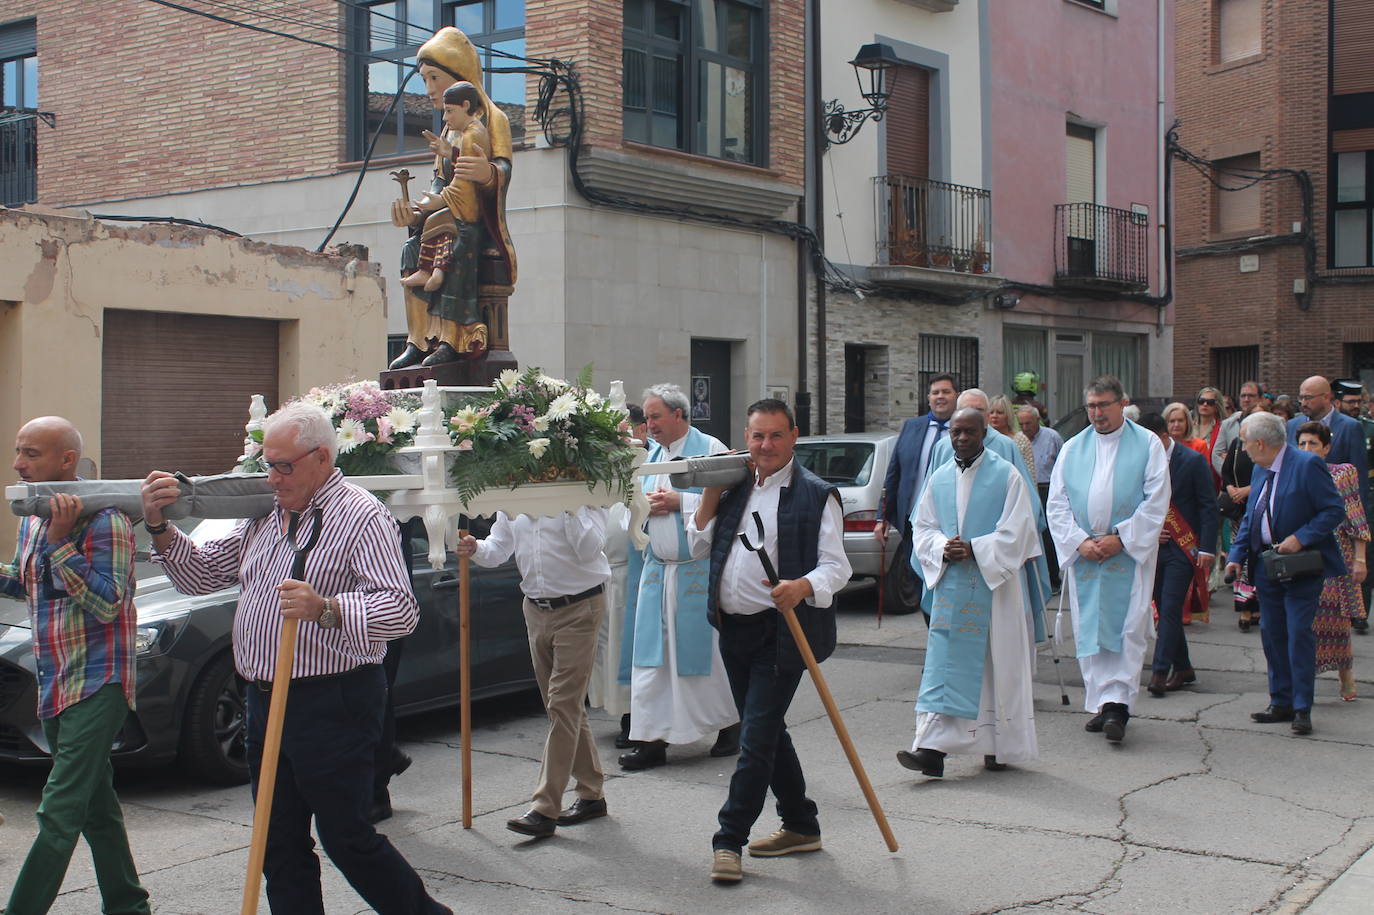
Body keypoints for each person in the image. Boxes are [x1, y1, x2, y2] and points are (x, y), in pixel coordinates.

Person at [142, 403, 449, 914]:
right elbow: (201, 575)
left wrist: (325, 608)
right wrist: (160, 529)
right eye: (267, 463)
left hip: (333, 700)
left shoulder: (360, 515)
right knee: (277, 839)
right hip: (263, 700)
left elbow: (400, 610)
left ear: (322, 457)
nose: (272, 476)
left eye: (283, 465)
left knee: (346, 837)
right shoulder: (269, 511)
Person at [687, 399, 850, 884]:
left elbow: (836, 566)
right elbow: (698, 544)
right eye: (757, 436)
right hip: (731, 629)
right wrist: (712, 494)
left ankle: (728, 840)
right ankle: (800, 823)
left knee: (754, 741)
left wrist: (802, 586)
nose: (765, 446)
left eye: (775, 436)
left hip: (781, 635)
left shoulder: (818, 495)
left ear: (794, 436)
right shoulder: (734, 486)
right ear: (746, 434)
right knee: (769, 733)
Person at [3, 417, 151, 915]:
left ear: (67, 460)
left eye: (31, 454)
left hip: (97, 680)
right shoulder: (33, 514)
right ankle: (129, 905)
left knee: (60, 809)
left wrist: (62, 541)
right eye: (19, 453)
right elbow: (30, 584)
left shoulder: (105, 518)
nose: (19, 464)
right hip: (53, 677)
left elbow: (110, 604)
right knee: (95, 807)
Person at [899, 408, 1042, 778]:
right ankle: (932, 749)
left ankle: (997, 744)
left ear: (984, 433)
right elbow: (923, 527)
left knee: (994, 664)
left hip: (995, 591)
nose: (961, 438)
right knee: (945, 666)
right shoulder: (941, 476)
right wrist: (943, 547)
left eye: (969, 432)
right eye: (956, 432)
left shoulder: (1006, 475)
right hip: (953, 589)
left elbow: (1020, 531)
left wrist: (976, 548)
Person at [456, 506, 611, 838]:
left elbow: (590, 548)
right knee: (563, 708)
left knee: (562, 705)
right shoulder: (514, 495)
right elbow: (498, 547)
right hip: (536, 608)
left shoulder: (582, 491)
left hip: (580, 605)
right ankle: (591, 792)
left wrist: (568, 506)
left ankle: (544, 808)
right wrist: (475, 549)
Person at [617, 383, 739, 771]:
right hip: (657, 569)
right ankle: (650, 740)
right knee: (652, 661)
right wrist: (640, 509)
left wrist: (679, 502)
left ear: (679, 415)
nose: (648, 424)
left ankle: (728, 725)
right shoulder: (648, 456)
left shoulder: (711, 450)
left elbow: (732, 506)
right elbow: (626, 506)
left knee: (706, 659)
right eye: (648, 417)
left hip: (696, 569)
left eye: (655, 417)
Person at [1047, 376, 1168, 744]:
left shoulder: (1147, 443)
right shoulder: (1072, 448)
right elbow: (1057, 503)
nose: (1096, 414)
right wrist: (1079, 542)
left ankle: (1119, 705)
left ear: (1122, 403)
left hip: (1126, 554)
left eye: (1103, 405)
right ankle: (1101, 702)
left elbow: (1156, 499)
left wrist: (1122, 538)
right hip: (1086, 555)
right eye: (1091, 406)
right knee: (1091, 630)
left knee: (1126, 627)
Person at [389, 26, 517, 369]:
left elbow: (501, 167)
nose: (429, 90)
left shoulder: (493, 120)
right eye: (425, 80)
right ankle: (419, 339)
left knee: (457, 249)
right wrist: (416, 212)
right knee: (411, 248)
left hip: (475, 222)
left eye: (435, 78)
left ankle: (453, 337)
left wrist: (489, 173)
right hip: (448, 210)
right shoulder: (449, 129)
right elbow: (438, 182)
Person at [1225, 411, 1346, 736]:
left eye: (1246, 443)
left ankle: (1301, 707)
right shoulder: (1261, 467)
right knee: (1273, 634)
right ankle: (1279, 701)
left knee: (1297, 634)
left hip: (1301, 564)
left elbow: (1334, 510)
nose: (1244, 449)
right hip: (1268, 565)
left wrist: (1300, 537)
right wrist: (1236, 556)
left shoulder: (1306, 465)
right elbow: (1252, 516)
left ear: (1261, 443)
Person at [1138, 412, 1216, 698]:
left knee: (1170, 608)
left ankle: (1160, 671)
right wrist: (1146, 532)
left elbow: (1208, 505)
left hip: (1183, 547)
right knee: (1162, 603)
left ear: (1163, 437)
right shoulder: (1141, 461)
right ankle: (1184, 667)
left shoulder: (1192, 461)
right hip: (1153, 546)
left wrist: (1207, 547)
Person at [1294, 421, 1368, 700]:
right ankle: (1304, 680)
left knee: (1336, 620)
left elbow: (1356, 517)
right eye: (1301, 443)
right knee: (1304, 621)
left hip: (1337, 555)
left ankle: (1345, 672)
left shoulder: (1343, 473)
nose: (1306, 449)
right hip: (1302, 553)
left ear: (1326, 447)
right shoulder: (1293, 471)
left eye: (1313, 443)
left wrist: (1360, 559)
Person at [875, 373, 959, 614]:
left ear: (957, 396)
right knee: (919, 578)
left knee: (949, 581)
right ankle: (933, 628)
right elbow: (894, 473)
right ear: (928, 398)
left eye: (946, 392)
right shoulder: (912, 427)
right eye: (935, 392)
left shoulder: (964, 429)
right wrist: (882, 517)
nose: (940, 397)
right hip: (914, 524)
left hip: (951, 524)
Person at [400, 81, 490, 294]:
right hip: (457, 200)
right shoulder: (454, 131)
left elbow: (466, 178)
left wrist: (441, 200)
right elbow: (442, 176)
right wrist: (421, 207)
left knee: (436, 220)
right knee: (416, 240)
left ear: (466, 105)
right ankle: (433, 271)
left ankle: (434, 271)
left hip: (470, 204)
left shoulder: (473, 132)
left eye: (449, 111)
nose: (445, 117)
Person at [1222, 398, 1270, 631]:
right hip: (1240, 512)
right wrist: (1232, 490)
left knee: (1259, 562)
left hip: (1264, 514)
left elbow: (1269, 477)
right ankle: (1245, 608)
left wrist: (1248, 491)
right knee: (1240, 560)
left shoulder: (1273, 450)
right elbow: (1226, 472)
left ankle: (1259, 606)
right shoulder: (1238, 444)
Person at [1334, 379, 1374, 634]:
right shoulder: (1330, 430)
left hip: (1365, 497)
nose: (1355, 406)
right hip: (1335, 499)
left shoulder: (1369, 429)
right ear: (1338, 402)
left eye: (1359, 402)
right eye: (1350, 402)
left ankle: (1360, 613)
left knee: (1363, 554)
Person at [1019, 404, 1063, 593]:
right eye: (1021, 423)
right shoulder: (1018, 440)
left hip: (1048, 488)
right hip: (1027, 488)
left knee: (1048, 536)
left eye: (1029, 423)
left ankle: (1054, 579)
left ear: (1038, 420)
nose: (1025, 427)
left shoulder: (1052, 437)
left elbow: (1063, 464)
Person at [1213, 380, 1264, 478]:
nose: (1246, 399)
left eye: (1251, 396)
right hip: (1234, 485)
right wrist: (1230, 478)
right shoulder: (1228, 424)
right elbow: (1217, 455)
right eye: (1243, 396)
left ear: (1261, 398)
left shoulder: (1272, 423)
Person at [988, 394, 1036, 481]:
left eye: (999, 412)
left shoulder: (1021, 440)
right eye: (991, 412)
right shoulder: (983, 440)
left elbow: (1030, 475)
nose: (994, 416)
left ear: (1008, 415)